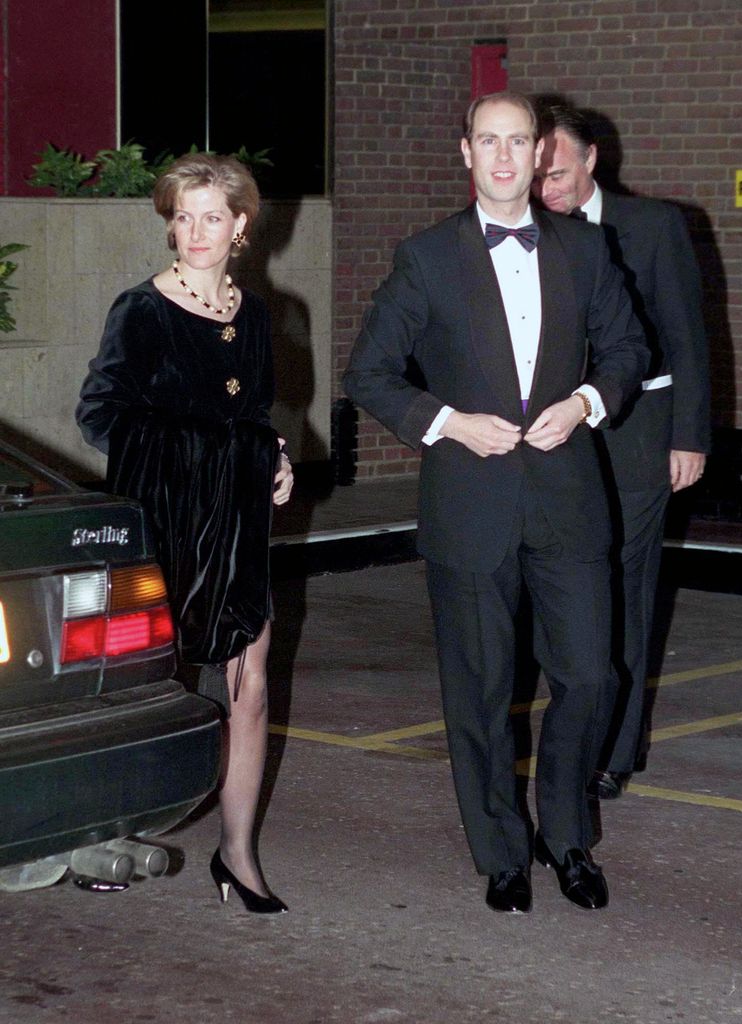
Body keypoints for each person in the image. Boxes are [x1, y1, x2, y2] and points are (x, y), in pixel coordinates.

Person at [343, 91, 649, 914]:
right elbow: (368, 371)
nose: (506, 157)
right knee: (477, 690)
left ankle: (563, 832)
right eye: (490, 141)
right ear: (466, 153)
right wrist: (444, 422)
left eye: (520, 142)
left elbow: (626, 349)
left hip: (568, 500)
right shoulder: (426, 257)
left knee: (589, 675)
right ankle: (500, 851)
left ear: (541, 153)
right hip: (469, 505)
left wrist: (586, 401)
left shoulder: (586, 250)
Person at [76, 153, 293, 914]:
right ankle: (105, 834)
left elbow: (255, 416)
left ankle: (236, 854)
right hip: (164, 522)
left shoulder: (260, 315)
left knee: (252, 689)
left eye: (211, 217)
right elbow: (101, 414)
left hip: (236, 524)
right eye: (182, 216)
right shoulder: (142, 309)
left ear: (240, 226)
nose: (194, 231)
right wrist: (207, 451)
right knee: (141, 692)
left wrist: (276, 456)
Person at [533, 104, 711, 800]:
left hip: (638, 430)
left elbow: (688, 337)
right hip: (558, 432)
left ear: (589, 162)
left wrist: (688, 436)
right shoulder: (526, 232)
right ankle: (573, 728)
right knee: (567, 586)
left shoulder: (654, 226)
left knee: (626, 586)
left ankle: (613, 749)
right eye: (537, 176)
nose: (545, 189)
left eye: (556, 173)